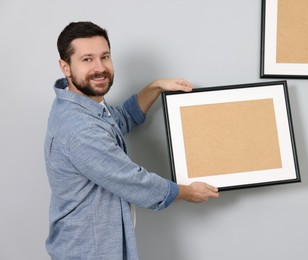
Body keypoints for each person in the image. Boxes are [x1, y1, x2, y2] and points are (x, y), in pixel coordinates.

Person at [44, 21, 219, 260]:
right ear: (65, 67)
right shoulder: (79, 128)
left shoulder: (79, 105)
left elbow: (121, 118)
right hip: (89, 251)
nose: (100, 68)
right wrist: (187, 192)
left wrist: (155, 87)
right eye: (87, 59)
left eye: (104, 57)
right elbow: (134, 182)